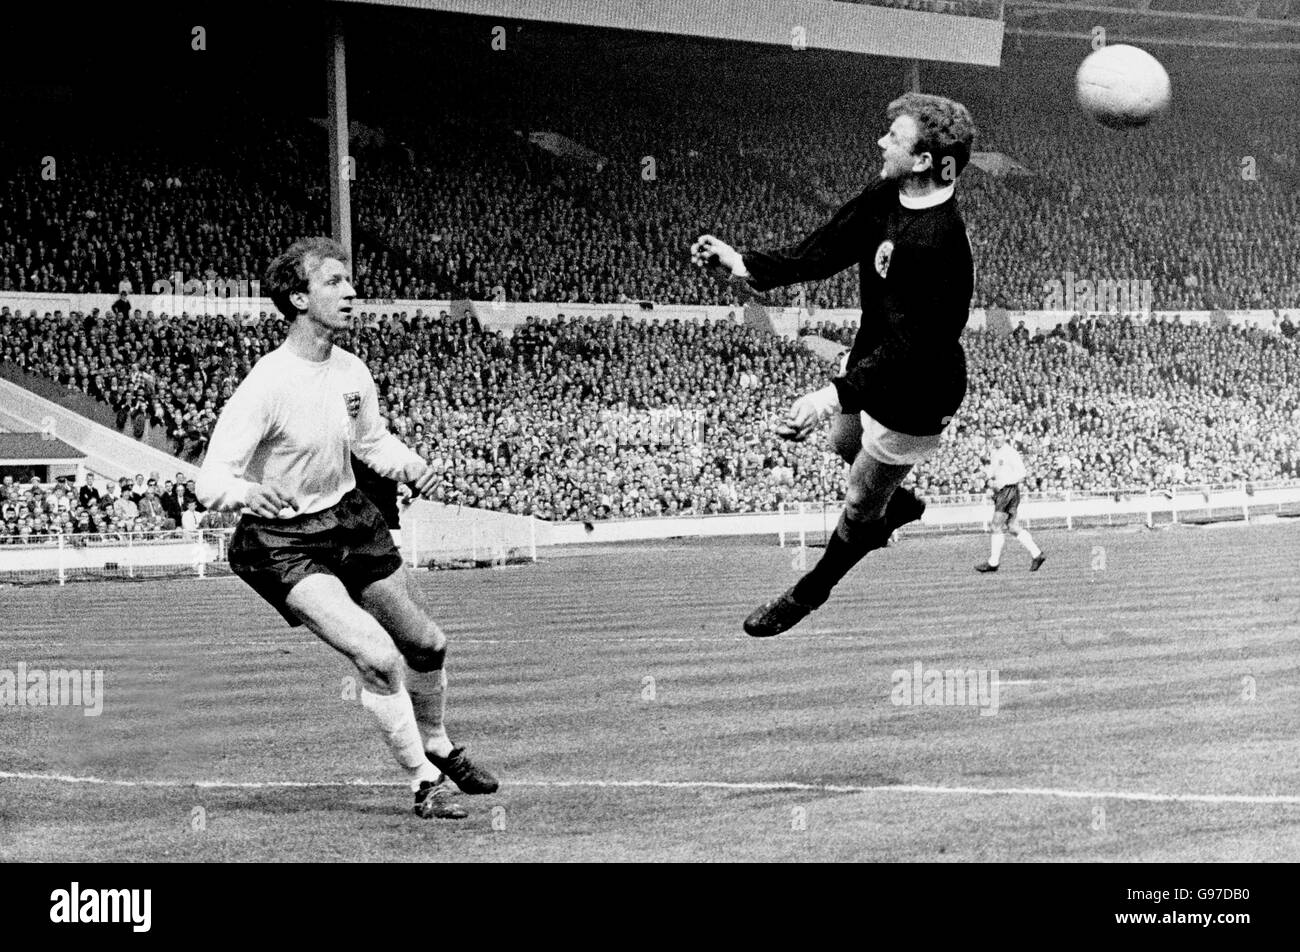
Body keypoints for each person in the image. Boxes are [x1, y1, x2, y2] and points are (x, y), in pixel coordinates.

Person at [196, 237, 497, 820]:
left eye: (349, 281)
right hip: (281, 540)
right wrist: (247, 491)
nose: (351, 292)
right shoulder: (267, 383)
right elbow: (211, 479)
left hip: (350, 520)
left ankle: (437, 743)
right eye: (333, 282)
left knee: (426, 644)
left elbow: (369, 441)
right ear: (297, 298)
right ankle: (422, 783)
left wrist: (408, 463)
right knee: (379, 657)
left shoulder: (352, 370)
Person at [691, 92, 978, 637]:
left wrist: (829, 397)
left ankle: (810, 590)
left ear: (922, 160)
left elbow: (914, 347)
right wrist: (742, 264)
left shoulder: (940, 244)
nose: (880, 142)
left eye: (893, 136)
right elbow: (824, 249)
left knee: (860, 503)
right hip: (874, 356)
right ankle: (901, 505)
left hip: (918, 391)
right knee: (842, 445)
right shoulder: (887, 193)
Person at [975, 428, 1046, 573]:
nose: (996, 438)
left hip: (1008, 491)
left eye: (999, 435)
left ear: (1005, 436)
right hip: (1004, 492)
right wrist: (983, 475)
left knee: (995, 526)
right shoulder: (995, 452)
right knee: (1013, 527)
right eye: (994, 435)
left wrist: (1001, 483)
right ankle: (1037, 554)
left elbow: (1022, 473)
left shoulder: (1010, 452)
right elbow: (993, 470)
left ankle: (993, 563)